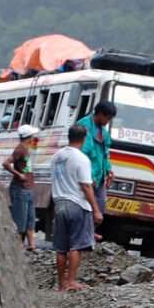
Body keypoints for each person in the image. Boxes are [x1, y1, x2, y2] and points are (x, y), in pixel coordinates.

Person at [50, 123, 104, 291]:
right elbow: (86, 186)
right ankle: (71, 281)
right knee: (76, 246)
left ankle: (61, 284)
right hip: (77, 204)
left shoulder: (56, 157)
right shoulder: (82, 159)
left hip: (59, 204)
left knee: (61, 248)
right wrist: (96, 209)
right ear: (84, 139)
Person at [76, 100, 117, 239]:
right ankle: (83, 232)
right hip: (86, 175)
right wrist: (90, 175)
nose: (108, 121)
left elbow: (105, 153)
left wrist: (108, 170)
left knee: (100, 203)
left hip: (99, 176)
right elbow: (84, 154)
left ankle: (89, 230)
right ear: (100, 114)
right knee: (85, 203)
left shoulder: (103, 132)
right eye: (108, 118)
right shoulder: (84, 127)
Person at [2, 124, 38, 254]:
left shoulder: (26, 149)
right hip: (20, 188)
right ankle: (19, 244)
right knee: (20, 216)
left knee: (30, 216)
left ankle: (31, 244)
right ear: (29, 136)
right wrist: (18, 174)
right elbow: (6, 163)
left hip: (28, 187)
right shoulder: (20, 150)